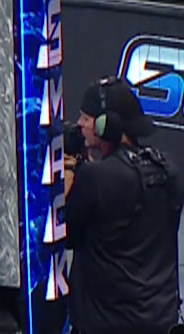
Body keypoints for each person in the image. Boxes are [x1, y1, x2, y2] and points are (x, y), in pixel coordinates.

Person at [66, 78, 184, 334]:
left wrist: (69, 181)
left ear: (105, 125)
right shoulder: (169, 170)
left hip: (105, 324)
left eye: (86, 118)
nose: (79, 124)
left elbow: (67, 236)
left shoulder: (95, 178)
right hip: (160, 322)